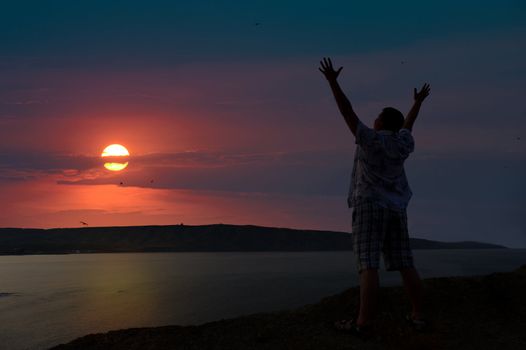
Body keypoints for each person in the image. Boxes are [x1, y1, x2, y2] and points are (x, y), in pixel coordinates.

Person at [318, 57, 431, 337]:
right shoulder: (403, 142)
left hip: (369, 204)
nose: (374, 118)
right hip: (397, 207)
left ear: (381, 123)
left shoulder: (372, 139)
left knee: (367, 263)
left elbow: (347, 112)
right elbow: (409, 123)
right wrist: (417, 103)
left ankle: (364, 323)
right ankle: (419, 315)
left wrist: (333, 82)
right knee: (405, 261)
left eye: (378, 116)